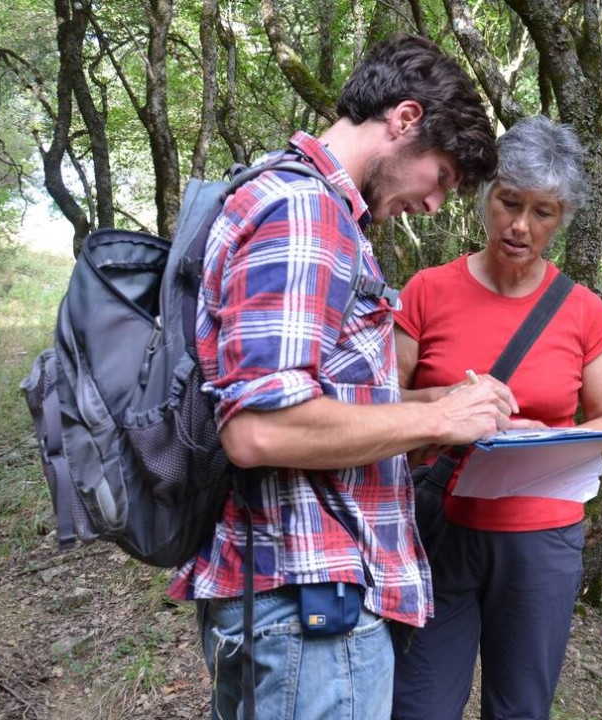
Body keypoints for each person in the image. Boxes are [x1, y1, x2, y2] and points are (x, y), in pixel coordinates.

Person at [168, 35, 522, 720]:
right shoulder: (307, 212)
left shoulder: (283, 197)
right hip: (310, 608)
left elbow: (307, 395)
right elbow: (260, 430)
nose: (435, 205)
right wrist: (438, 421)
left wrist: (425, 402)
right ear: (405, 120)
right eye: (443, 177)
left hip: (287, 603)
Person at [390, 116, 602, 720]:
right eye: (509, 202)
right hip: (439, 525)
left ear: (562, 219)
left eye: (543, 212)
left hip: (542, 540)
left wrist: (547, 437)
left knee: (520, 709)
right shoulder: (426, 291)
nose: (521, 225)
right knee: (417, 705)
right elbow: (379, 404)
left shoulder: (583, 311)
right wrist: (450, 408)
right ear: (485, 200)